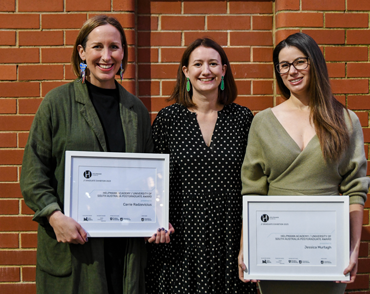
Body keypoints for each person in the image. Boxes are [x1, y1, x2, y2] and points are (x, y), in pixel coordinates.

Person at [20, 15, 169, 294]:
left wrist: (156, 217)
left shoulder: (135, 110)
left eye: (114, 47)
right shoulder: (57, 103)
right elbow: (33, 173)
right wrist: (54, 216)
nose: (106, 56)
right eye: (97, 47)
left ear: (123, 52)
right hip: (76, 250)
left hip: (124, 251)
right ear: (82, 52)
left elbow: (150, 179)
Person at [238, 32, 370, 294]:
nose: (292, 71)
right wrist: (246, 247)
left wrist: (353, 250)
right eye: (284, 65)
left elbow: (356, 190)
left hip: (326, 251)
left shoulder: (345, 120)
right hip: (274, 246)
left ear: (315, 63)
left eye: (300, 62)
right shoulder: (263, 122)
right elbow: (252, 191)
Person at [145, 38, 257, 293]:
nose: (206, 71)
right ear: (186, 71)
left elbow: (254, 180)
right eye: (198, 64)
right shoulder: (169, 119)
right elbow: (152, 180)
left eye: (213, 64)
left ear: (224, 70)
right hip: (179, 238)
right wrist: (154, 220)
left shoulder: (242, 119)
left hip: (228, 236)